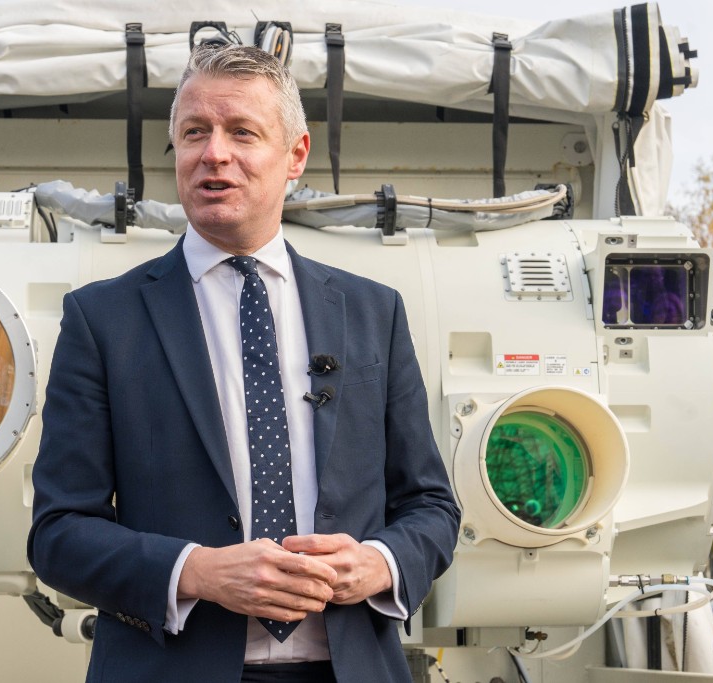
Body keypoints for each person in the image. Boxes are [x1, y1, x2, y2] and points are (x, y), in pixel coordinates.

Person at [27, 44, 460, 683]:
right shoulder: (103, 320)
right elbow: (59, 533)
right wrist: (196, 571)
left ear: (295, 156)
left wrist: (379, 563)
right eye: (194, 133)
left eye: (242, 133)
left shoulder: (374, 313)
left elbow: (431, 507)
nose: (214, 153)